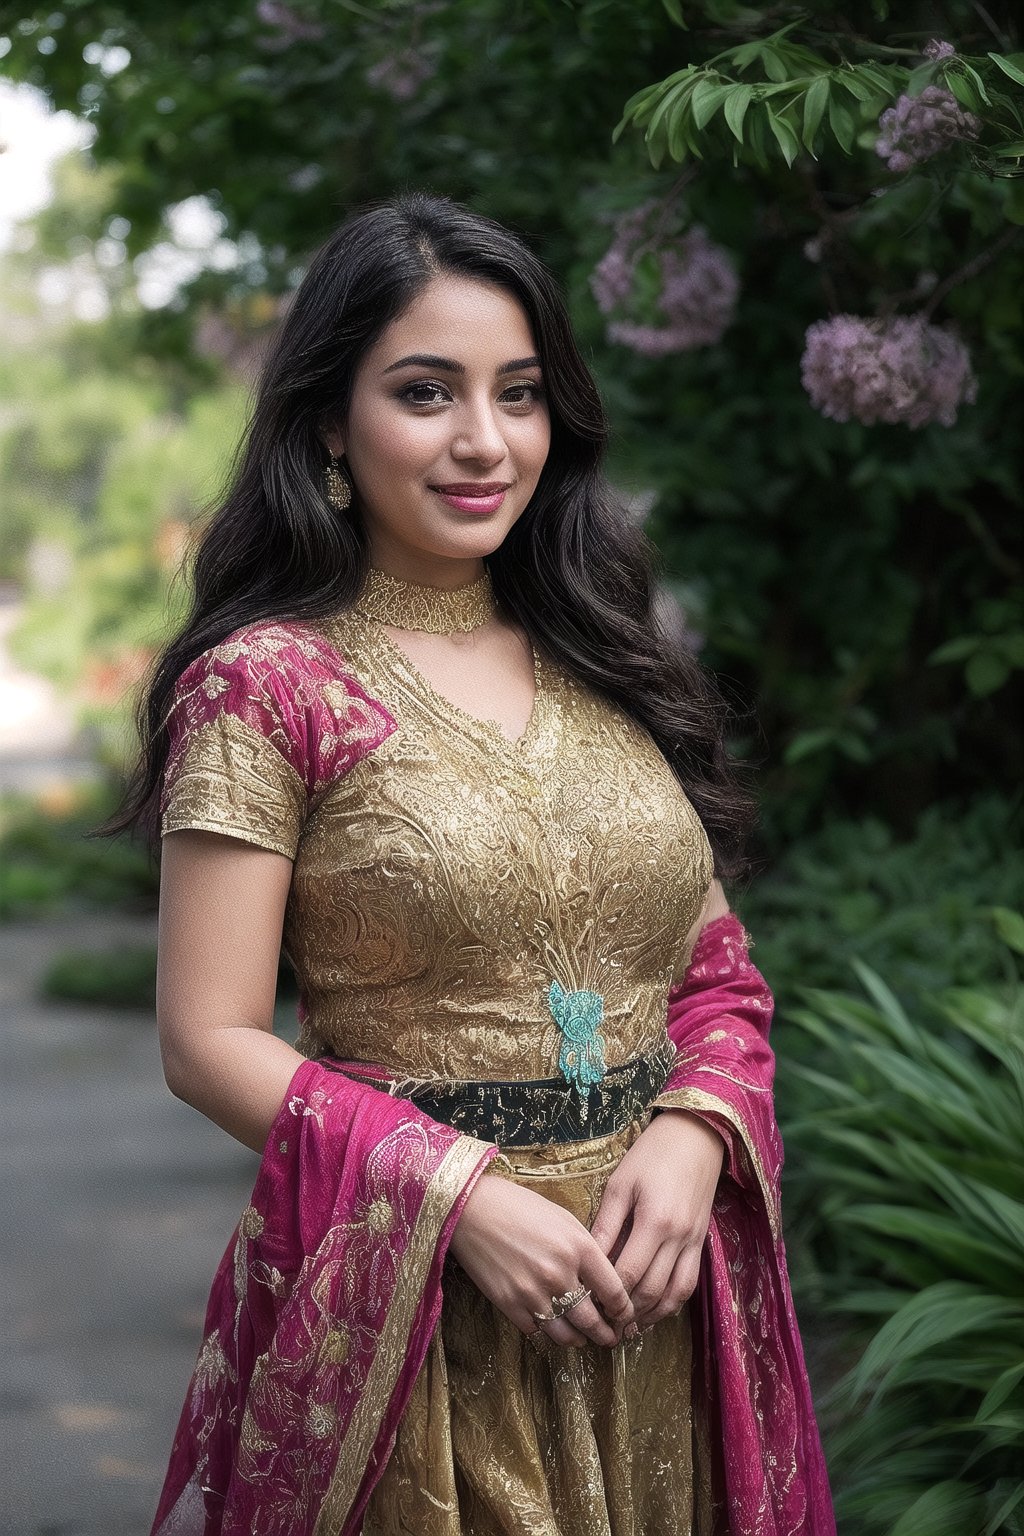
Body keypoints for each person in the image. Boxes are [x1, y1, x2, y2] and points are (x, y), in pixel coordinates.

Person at [111, 192, 835, 1535]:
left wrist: (691, 1138)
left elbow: (715, 970)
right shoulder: (270, 686)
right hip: (422, 1323)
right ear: (331, 421)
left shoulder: (606, 649)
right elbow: (207, 1038)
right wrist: (465, 1203)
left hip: (660, 1304)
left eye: (519, 393)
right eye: (426, 393)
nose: (483, 442)